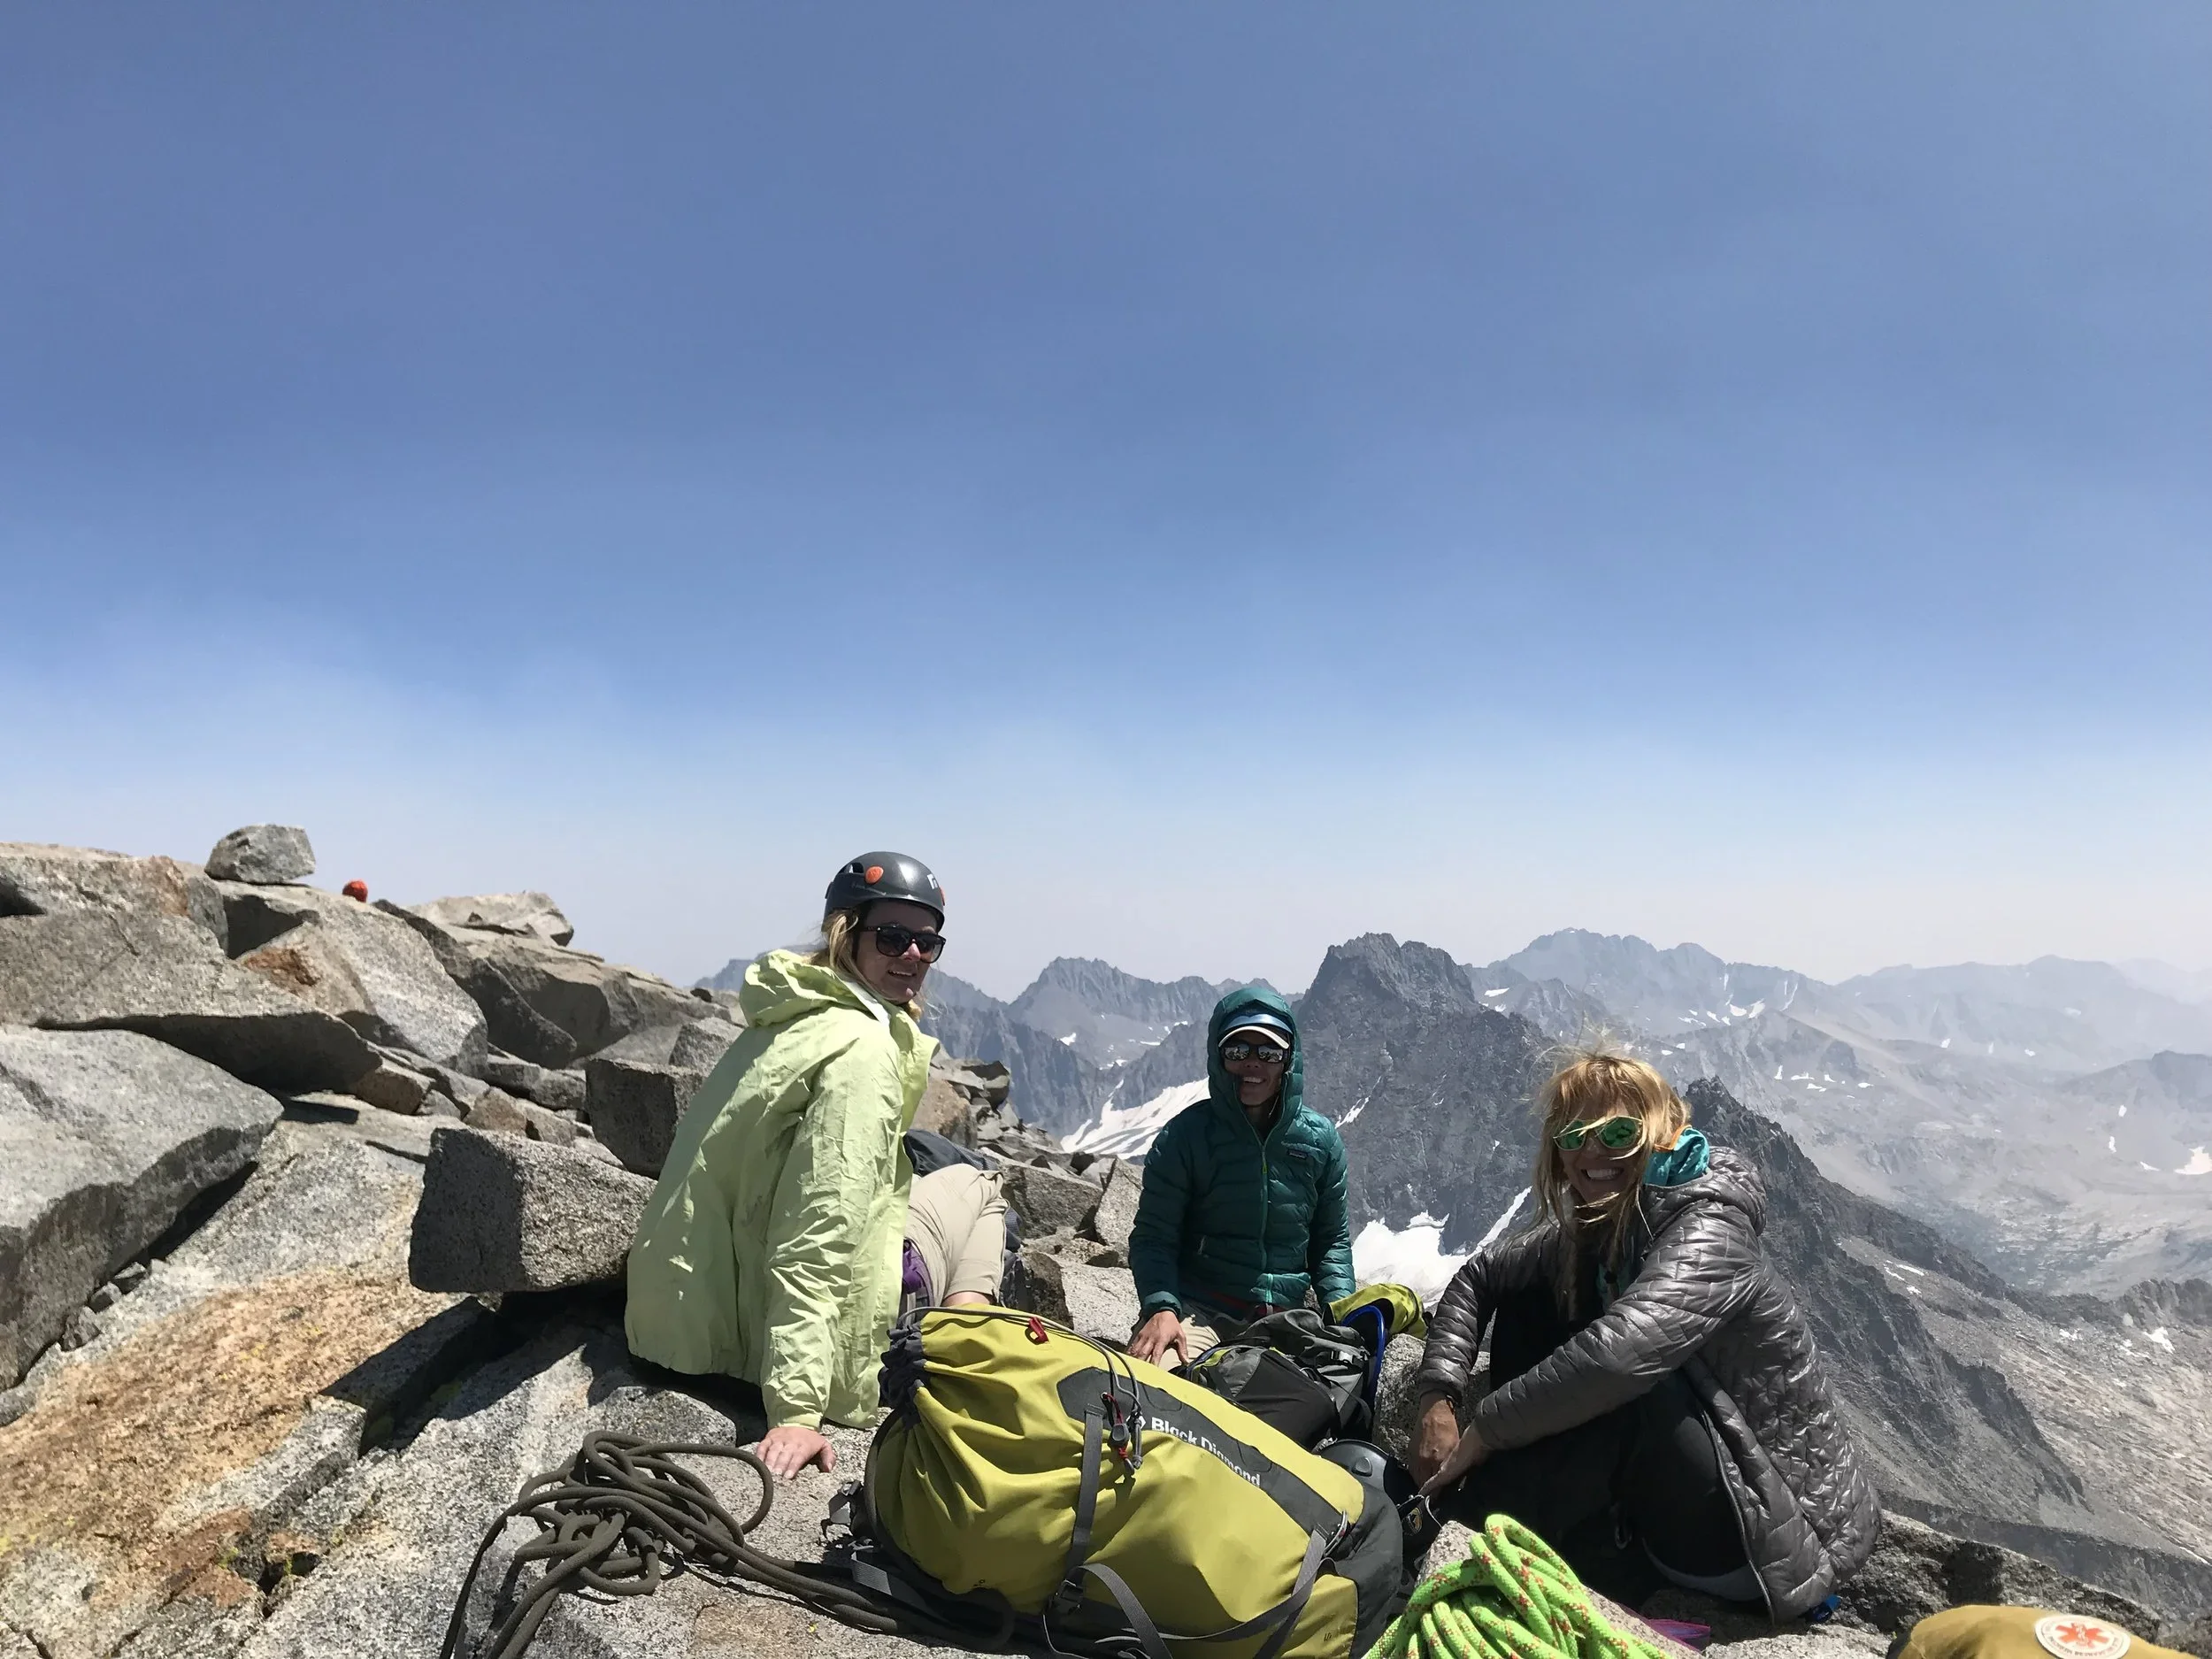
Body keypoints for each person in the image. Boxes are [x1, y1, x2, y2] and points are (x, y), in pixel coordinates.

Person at [1409, 1050, 1878, 1619]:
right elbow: (1481, 1277)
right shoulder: (1604, 1219)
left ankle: (1451, 1527)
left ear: (1660, 1134)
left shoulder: (1708, 1219)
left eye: (1620, 1132)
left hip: (1762, 1539)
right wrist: (1438, 1395)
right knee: (1532, 1298)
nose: (1593, 1152)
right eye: (1574, 1134)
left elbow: (1618, 1360)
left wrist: (1485, 1428)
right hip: (1683, 1497)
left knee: (1633, 1381)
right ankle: (1495, 1522)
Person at [625, 852, 1007, 1481]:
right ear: (844, 932)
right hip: (756, 1352)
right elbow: (817, 1233)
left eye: (927, 942)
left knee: (935, 1169)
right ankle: (956, 1347)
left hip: (682, 1324)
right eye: (892, 936)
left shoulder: (793, 1012)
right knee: (980, 1184)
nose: (912, 954)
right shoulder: (864, 1053)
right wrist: (797, 1410)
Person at [1126, 987, 1356, 1368]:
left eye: (1268, 1052)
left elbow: (1330, 1242)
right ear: (1219, 1058)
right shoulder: (1185, 1137)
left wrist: (1343, 1318)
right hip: (1198, 1311)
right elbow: (1154, 1237)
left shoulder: (1319, 1141)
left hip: (1287, 1321)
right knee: (1161, 1384)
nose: (1253, 1063)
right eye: (1237, 1051)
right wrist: (1162, 1307)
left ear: (1288, 1061)